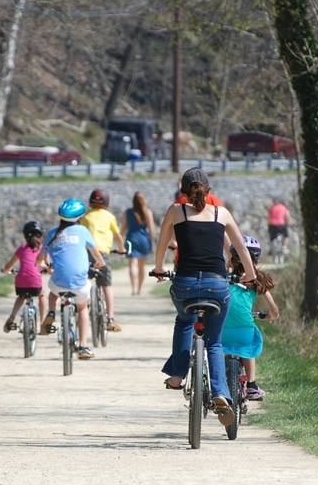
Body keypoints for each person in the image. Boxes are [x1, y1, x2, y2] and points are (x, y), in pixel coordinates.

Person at [153, 167, 256, 428]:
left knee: (185, 322)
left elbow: (163, 243)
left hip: (185, 284)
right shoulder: (222, 213)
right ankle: (221, 392)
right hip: (217, 286)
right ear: (208, 191)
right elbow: (240, 247)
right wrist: (249, 275)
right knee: (215, 342)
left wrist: (157, 268)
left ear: (183, 192)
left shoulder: (176, 211)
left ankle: (177, 375)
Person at [39, 198, 106, 360]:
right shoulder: (83, 231)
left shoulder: (51, 234)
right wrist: (101, 263)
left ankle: (52, 312)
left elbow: (40, 259)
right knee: (82, 308)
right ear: (80, 217)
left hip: (59, 281)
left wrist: (46, 267)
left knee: (53, 293)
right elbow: (95, 252)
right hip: (79, 283)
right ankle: (83, 346)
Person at [221, 236, 280, 401]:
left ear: (232, 260)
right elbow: (274, 310)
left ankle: (223, 381)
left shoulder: (224, 279)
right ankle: (252, 385)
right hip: (243, 329)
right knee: (249, 343)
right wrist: (270, 316)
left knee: (223, 347)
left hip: (222, 329)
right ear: (257, 259)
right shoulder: (257, 281)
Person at [80, 189, 125, 332]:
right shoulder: (109, 216)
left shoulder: (85, 215)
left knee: (87, 281)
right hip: (103, 254)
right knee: (106, 285)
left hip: (87, 252)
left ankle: (84, 309)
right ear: (106, 202)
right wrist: (121, 249)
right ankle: (110, 318)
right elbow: (118, 236)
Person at [0, 220, 48, 333]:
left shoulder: (21, 249)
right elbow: (48, 267)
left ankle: (12, 316)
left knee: (21, 297)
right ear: (41, 236)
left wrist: (5, 270)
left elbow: (8, 265)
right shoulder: (43, 249)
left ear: (25, 236)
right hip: (35, 283)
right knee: (42, 294)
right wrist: (48, 269)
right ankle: (42, 322)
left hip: (21, 282)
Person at [120, 191, 155, 296]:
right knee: (141, 266)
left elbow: (123, 230)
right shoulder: (147, 212)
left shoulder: (127, 212)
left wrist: (120, 242)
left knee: (132, 264)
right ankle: (139, 289)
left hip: (131, 240)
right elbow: (152, 230)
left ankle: (133, 288)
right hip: (144, 240)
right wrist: (151, 243)